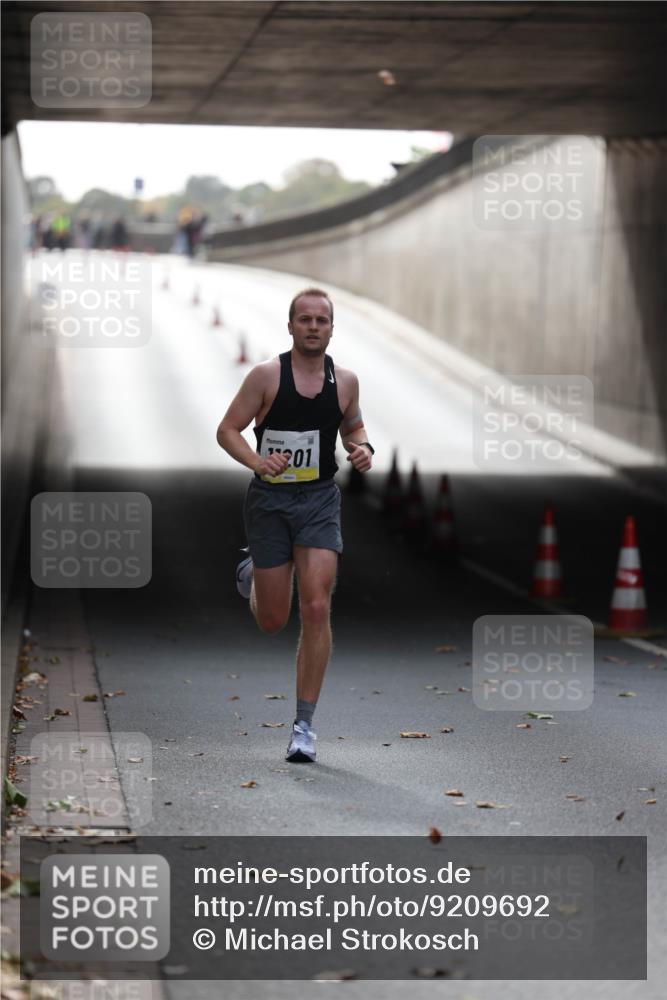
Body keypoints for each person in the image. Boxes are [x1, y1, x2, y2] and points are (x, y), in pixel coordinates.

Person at [216, 288, 374, 763]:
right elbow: (227, 430)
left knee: (317, 606)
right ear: (290, 327)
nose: (312, 326)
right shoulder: (266, 376)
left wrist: (362, 448)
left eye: (320, 320)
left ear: (331, 328)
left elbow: (354, 426)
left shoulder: (345, 381)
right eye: (303, 319)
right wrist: (258, 462)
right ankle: (253, 576)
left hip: (319, 500)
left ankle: (304, 725)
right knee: (272, 620)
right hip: (269, 500)